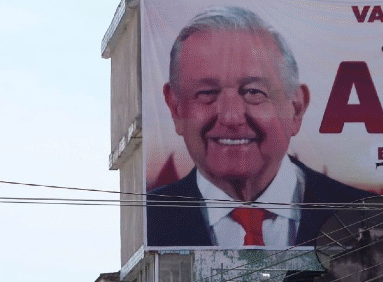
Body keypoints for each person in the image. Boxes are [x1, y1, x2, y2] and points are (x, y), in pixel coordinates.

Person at [148, 6, 370, 249]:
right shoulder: (147, 222)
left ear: (296, 108)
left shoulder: (369, 219)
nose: (231, 117)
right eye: (206, 93)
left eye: (254, 92)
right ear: (176, 108)